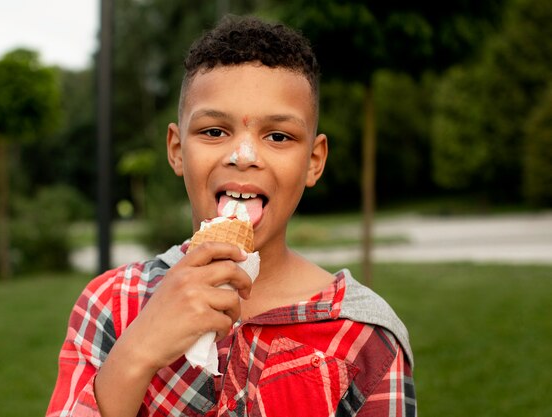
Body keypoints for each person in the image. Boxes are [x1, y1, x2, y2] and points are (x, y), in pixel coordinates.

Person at [46, 14, 416, 417]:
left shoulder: (364, 337)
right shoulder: (113, 305)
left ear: (313, 160)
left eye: (278, 136)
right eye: (214, 131)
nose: (244, 157)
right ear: (176, 149)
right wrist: (138, 351)